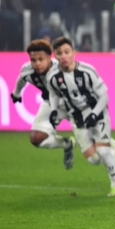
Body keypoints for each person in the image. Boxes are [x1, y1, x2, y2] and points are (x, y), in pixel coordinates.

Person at [46, 37, 115, 196]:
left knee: (103, 151)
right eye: (59, 53)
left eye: (67, 52)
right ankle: (111, 146)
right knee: (94, 159)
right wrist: (53, 110)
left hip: (98, 114)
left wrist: (94, 114)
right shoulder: (53, 76)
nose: (63, 56)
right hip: (77, 119)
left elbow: (103, 96)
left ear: (74, 53)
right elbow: (53, 93)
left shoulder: (87, 71)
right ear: (55, 56)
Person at [11, 39, 76, 170]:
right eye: (33, 60)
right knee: (36, 138)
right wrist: (16, 93)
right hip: (50, 103)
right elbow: (21, 79)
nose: (37, 63)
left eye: (41, 59)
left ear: (49, 58)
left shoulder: (62, 68)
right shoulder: (27, 70)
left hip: (73, 104)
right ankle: (67, 144)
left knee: (93, 140)